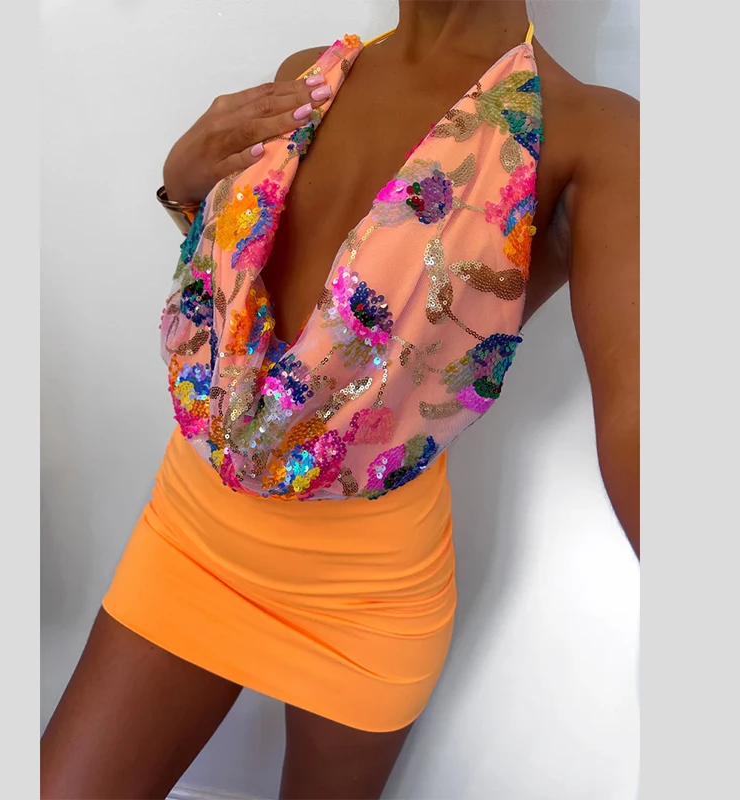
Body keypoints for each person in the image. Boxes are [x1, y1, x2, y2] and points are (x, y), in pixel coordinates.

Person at [40, 1, 639, 798]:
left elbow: (643, 418)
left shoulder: (590, 134)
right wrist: (181, 188)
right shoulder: (309, 78)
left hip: (366, 596)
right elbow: (248, 324)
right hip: (190, 536)